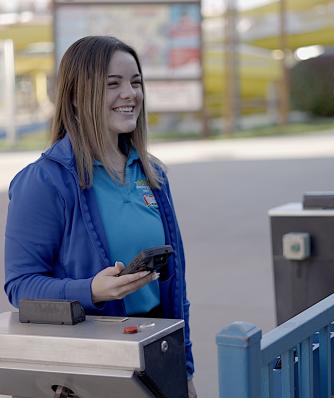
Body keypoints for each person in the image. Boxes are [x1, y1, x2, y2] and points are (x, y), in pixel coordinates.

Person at [4, 36, 196, 397]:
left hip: (154, 352)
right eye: (113, 84)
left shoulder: (153, 174)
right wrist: (90, 290)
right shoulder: (44, 181)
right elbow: (20, 286)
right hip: (85, 369)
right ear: (77, 95)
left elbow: (176, 288)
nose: (130, 94)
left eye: (135, 82)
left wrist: (184, 371)